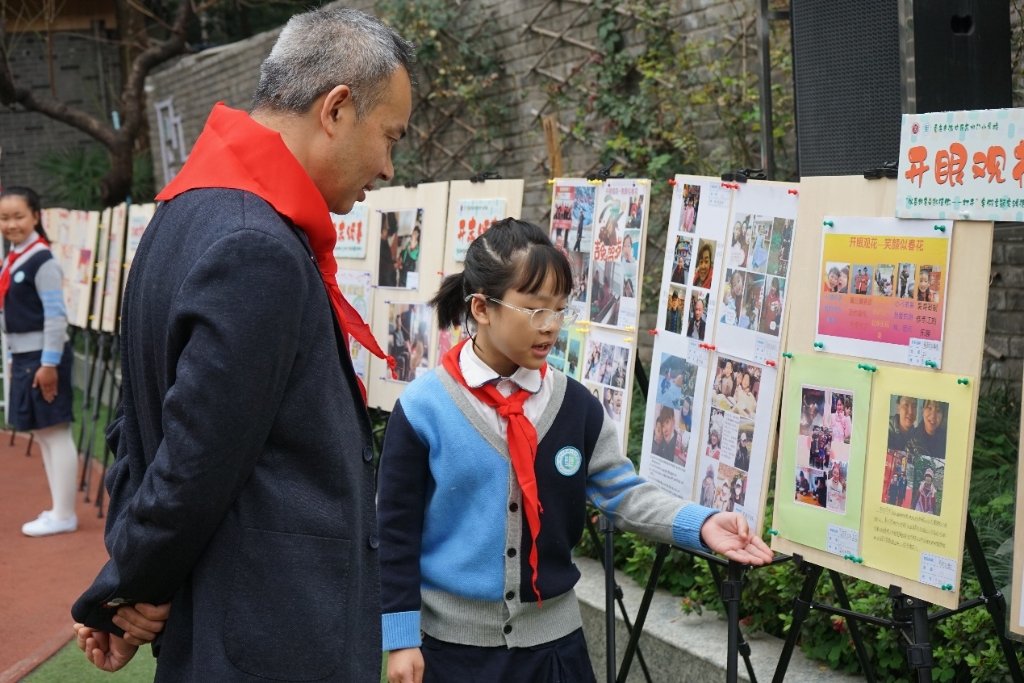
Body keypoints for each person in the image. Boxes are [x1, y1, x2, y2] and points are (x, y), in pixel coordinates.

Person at [71, 9, 413, 680]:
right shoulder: (255, 246)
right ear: (337, 108)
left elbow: (138, 433)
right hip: (269, 635)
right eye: (389, 136)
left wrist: (138, 582)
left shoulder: (185, 213)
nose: (387, 166)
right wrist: (124, 588)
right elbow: (191, 465)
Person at [378, 218, 773, 683]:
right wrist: (401, 638)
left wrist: (701, 524)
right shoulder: (424, 408)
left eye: (560, 310)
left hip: (555, 653)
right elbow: (395, 531)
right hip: (451, 652)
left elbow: (623, 493)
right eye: (535, 310)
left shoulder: (575, 406)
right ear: (482, 308)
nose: (551, 328)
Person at [0, 187, 78, 537]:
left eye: (18, 216)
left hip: (43, 357)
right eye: (4, 218)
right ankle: (59, 509)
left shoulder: (41, 259)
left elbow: (55, 316)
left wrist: (49, 364)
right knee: (44, 434)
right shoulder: (15, 256)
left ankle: (64, 514)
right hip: (26, 355)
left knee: (55, 432)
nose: (11, 224)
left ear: (35, 216)